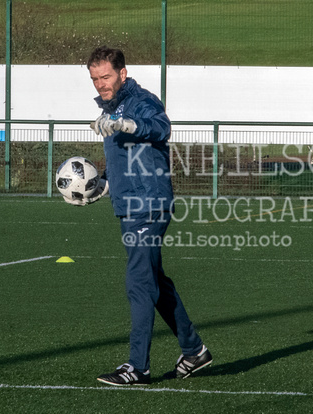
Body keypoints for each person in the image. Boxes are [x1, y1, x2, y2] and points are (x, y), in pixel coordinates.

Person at [87, 46, 212, 385]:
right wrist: (106, 186)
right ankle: (194, 350)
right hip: (131, 204)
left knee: (139, 282)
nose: (101, 84)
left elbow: (160, 128)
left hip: (149, 205)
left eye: (106, 76)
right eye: (95, 78)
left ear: (122, 74)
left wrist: (128, 123)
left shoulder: (140, 101)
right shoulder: (110, 110)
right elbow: (130, 162)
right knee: (154, 281)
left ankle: (137, 367)